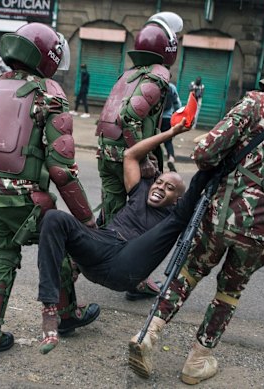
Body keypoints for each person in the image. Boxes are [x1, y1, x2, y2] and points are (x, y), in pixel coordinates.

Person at [128, 59, 264, 385]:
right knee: (231, 290)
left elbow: (204, 154)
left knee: (189, 271)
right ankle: (198, 360)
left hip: (223, 213)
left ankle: (148, 334)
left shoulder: (256, 103)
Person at [0, 22, 97, 361]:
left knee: (2, 257)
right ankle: (67, 314)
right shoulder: (49, 92)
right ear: (49, 56)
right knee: (56, 242)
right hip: (23, 197)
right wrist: (86, 219)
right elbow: (61, 170)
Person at [37, 119, 214, 354]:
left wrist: (209, 156)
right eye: (159, 182)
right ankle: (50, 307)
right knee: (53, 218)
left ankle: (207, 166)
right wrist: (171, 132)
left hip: (126, 266)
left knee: (177, 221)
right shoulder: (140, 190)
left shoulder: (176, 213)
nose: (160, 187)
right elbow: (130, 155)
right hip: (100, 248)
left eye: (169, 188)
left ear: (177, 199)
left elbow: (191, 204)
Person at [95, 11, 183, 300]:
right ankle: (133, 278)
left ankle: (88, 263)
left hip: (107, 154)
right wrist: (143, 158)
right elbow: (131, 116)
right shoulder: (158, 75)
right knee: (136, 222)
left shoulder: (129, 74)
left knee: (112, 217)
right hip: (129, 157)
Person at [160, 82, 182, 172]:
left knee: (153, 141)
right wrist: (177, 115)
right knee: (168, 141)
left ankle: (155, 162)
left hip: (156, 119)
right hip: (167, 118)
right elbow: (177, 104)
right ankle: (171, 158)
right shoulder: (171, 87)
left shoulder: (155, 84)